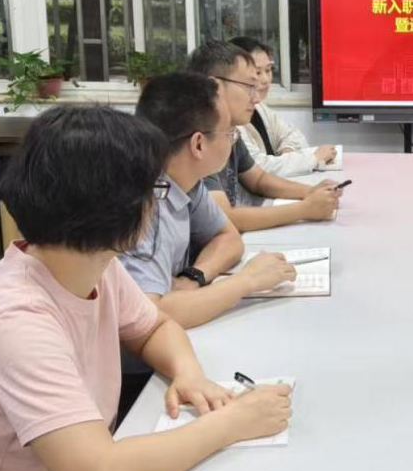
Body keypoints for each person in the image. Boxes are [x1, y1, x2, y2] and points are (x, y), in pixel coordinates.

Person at [0, 106, 293, 471]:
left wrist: (187, 373)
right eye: (153, 191)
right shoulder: (17, 320)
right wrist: (234, 423)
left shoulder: (90, 262)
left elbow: (155, 327)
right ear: (121, 212)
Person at [120, 73, 296, 329]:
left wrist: (193, 277)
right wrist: (247, 281)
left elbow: (228, 237)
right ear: (198, 145)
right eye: (229, 133)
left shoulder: (185, 180)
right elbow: (150, 314)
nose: (232, 141)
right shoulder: (143, 205)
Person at [186, 40, 341, 232]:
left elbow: (259, 179)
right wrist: (305, 209)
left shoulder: (230, 130)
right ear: (215, 87)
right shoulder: (199, 140)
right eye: (249, 86)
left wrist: (310, 191)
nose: (256, 97)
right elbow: (225, 218)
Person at [228, 36, 338, 177]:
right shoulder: (231, 120)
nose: (265, 80)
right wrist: (313, 158)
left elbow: (293, 135)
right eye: (257, 72)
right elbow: (257, 167)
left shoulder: (260, 107)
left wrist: (288, 151)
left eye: (268, 70)